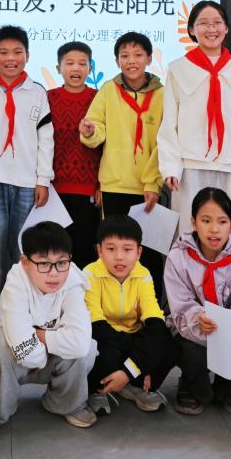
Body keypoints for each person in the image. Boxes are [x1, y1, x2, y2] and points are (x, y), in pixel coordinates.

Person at [158, 1, 231, 244]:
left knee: (229, 236)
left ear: (226, 28)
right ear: (191, 29)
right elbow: (169, 123)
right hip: (189, 167)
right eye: (203, 23)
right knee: (188, 234)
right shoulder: (178, 69)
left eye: (217, 23)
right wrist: (171, 167)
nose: (211, 29)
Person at [0, 221, 96, 431]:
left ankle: (64, 403)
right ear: (25, 262)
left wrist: (38, 335)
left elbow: (79, 344)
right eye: (43, 263)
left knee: (87, 349)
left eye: (61, 262)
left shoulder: (73, 281)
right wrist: (40, 355)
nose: (54, 273)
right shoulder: (16, 280)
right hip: (20, 357)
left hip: (47, 353)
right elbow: (19, 341)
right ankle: (0, 409)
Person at [0, 25, 55, 309]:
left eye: (17, 52)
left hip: (28, 184)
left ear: (27, 56)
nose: (11, 58)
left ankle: (21, 306)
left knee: (22, 249)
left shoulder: (37, 93)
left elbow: (46, 139)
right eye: (3, 52)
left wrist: (43, 180)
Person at [80, 31, 166, 292]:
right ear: (117, 60)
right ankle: (112, 302)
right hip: (114, 185)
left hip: (147, 188)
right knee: (114, 250)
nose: (131, 61)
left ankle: (150, 306)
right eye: (125, 56)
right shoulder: (109, 90)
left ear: (149, 58)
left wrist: (153, 183)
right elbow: (97, 126)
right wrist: (90, 132)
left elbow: (166, 142)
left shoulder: (162, 94)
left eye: (138, 55)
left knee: (148, 251)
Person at [164, 188, 231, 417]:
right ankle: (190, 384)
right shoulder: (177, 257)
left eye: (222, 221)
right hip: (192, 330)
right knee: (191, 354)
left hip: (229, 334)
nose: (214, 229)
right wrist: (198, 318)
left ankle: (228, 384)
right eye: (206, 221)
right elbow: (180, 304)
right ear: (193, 223)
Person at [83, 215, 176, 415]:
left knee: (167, 342)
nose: (119, 257)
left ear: (138, 252)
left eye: (127, 249)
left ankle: (130, 383)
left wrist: (128, 370)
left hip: (131, 338)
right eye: (111, 249)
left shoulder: (143, 275)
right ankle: (97, 389)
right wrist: (139, 357)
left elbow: (155, 321)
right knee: (105, 353)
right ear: (99, 250)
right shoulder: (90, 274)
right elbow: (95, 325)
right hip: (105, 339)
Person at [48, 41, 101, 267]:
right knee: (55, 250)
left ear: (90, 68)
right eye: (69, 63)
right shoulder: (48, 98)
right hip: (53, 189)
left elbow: (105, 145)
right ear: (58, 68)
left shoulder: (99, 98)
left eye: (82, 63)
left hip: (88, 188)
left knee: (84, 250)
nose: (76, 68)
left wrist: (101, 184)